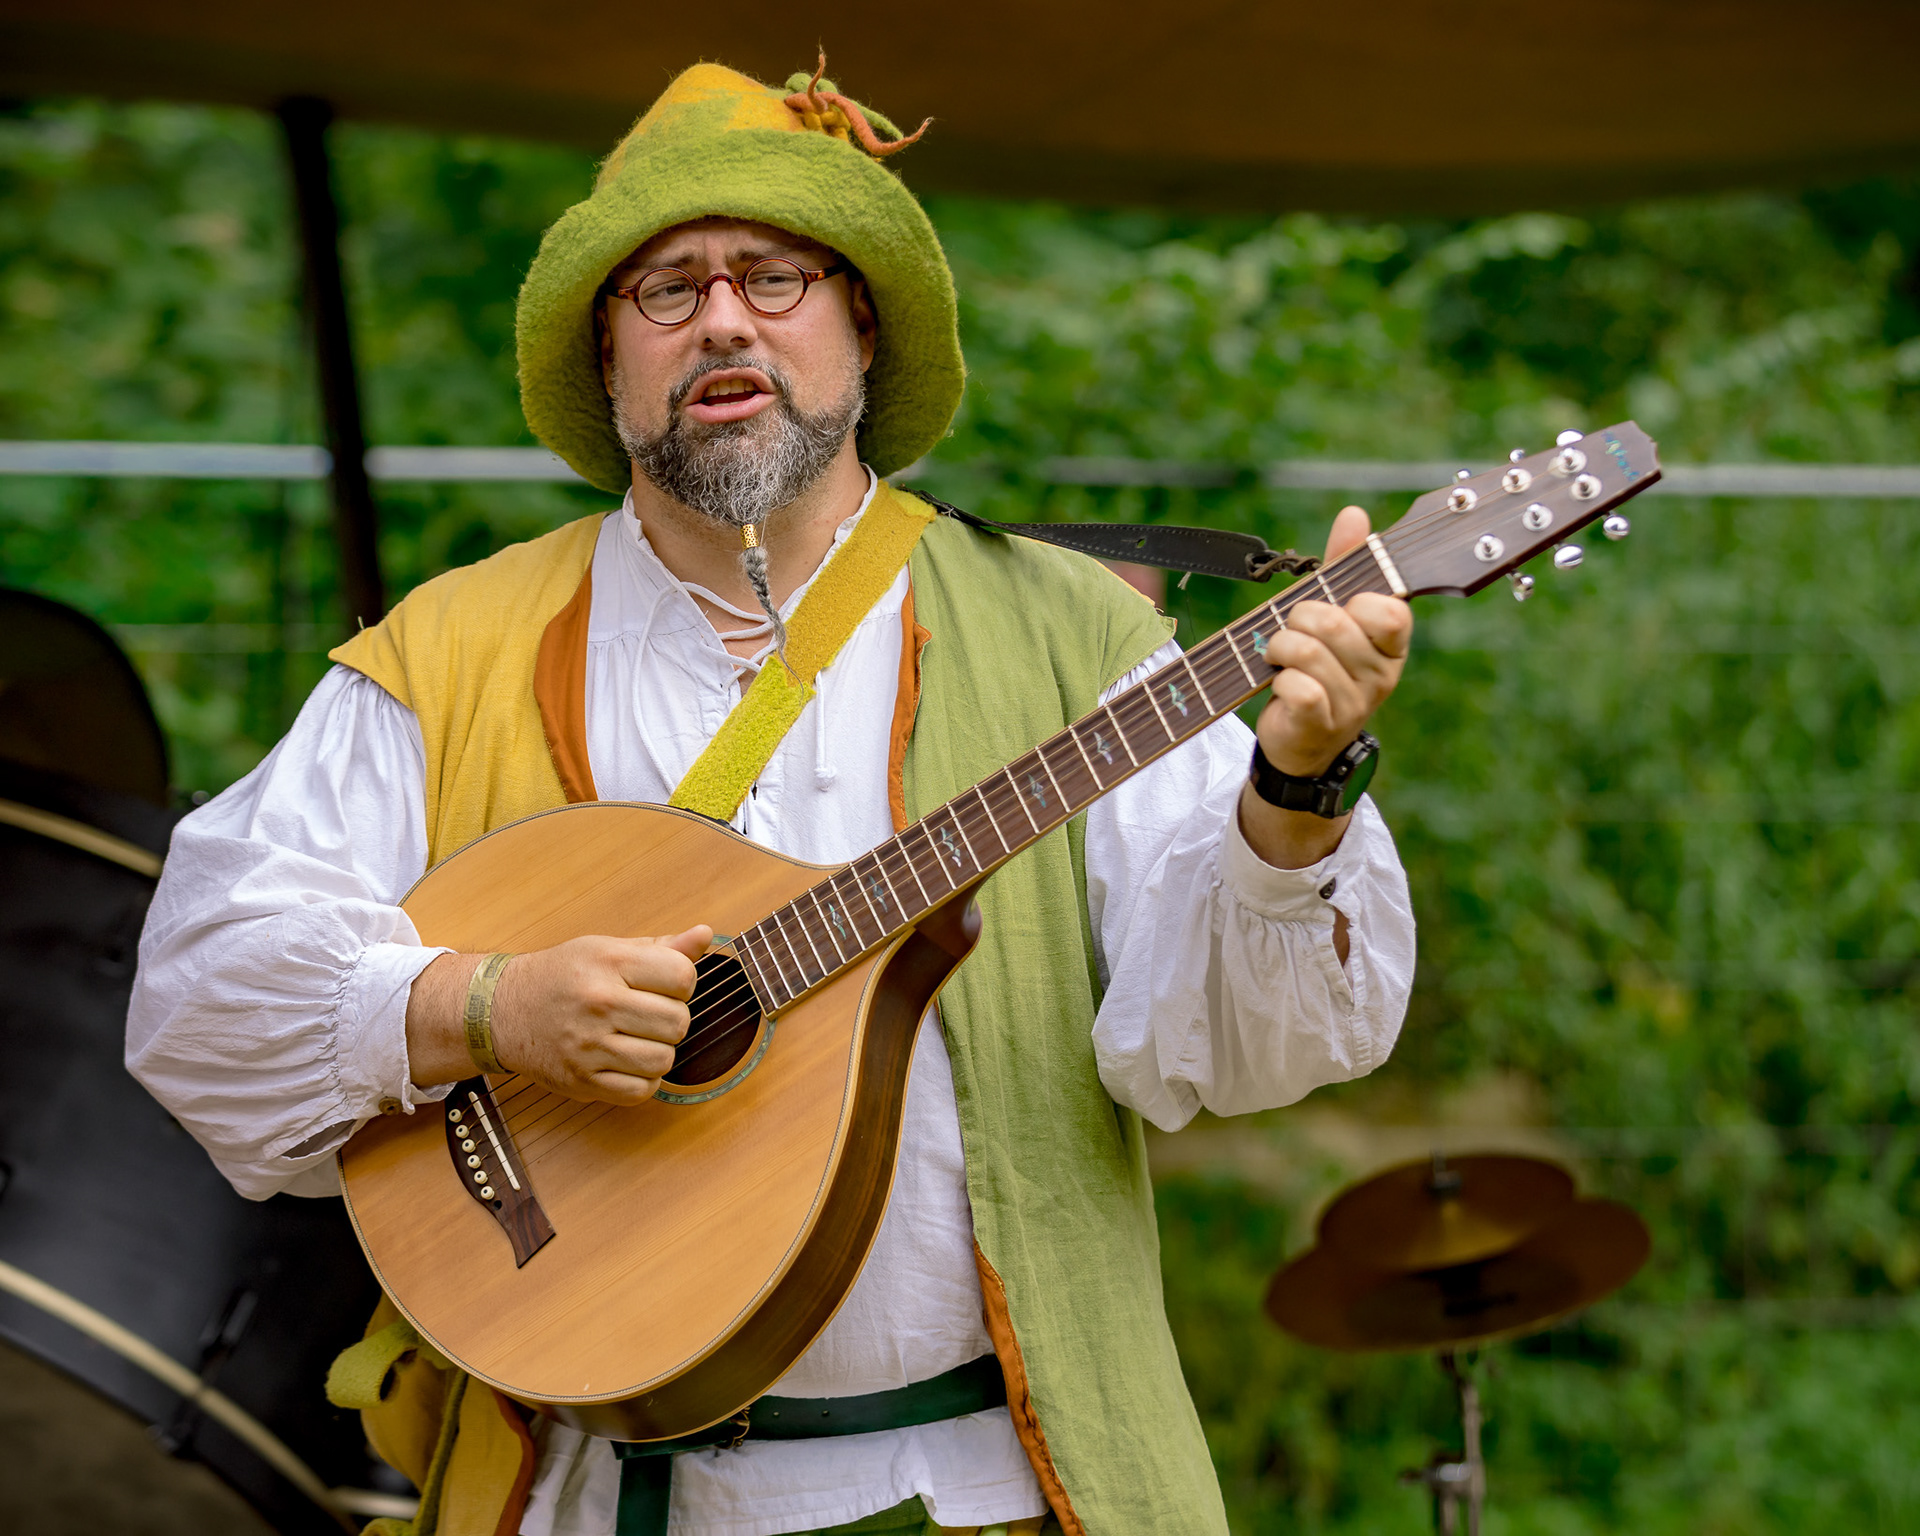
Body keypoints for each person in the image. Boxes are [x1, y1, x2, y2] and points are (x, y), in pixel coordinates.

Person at [128, 59, 1416, 1536]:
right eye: (666, 289)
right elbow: (197, 993)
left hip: (987, 1494)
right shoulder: (455, 650)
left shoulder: (1067, 635)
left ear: (858, 325)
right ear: (608, 360)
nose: (725, 317)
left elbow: (1245, 1049)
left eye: (775, 275)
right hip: (584, 1497)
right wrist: (484, 1006)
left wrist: (1297, 787)